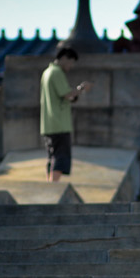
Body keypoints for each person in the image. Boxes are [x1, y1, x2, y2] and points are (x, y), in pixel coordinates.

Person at [39, 46, 90, 182]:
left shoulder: (47, 72)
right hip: (59, 123)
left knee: (52, 156)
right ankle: (53, 187)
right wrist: (81, 89)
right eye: (71, 61)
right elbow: (67, 94)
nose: (71, 66)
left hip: (48, 124)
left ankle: (50, 184)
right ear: (63, 58)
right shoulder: (56, 73)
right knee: (60, 157)